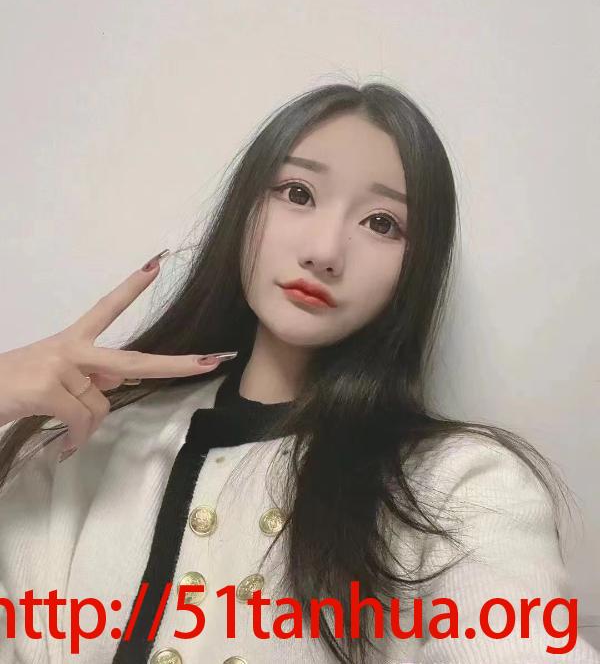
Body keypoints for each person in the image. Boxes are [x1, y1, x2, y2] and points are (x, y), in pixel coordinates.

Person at [0, 82, 598, 664]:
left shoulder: (458, 485)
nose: (325, 251)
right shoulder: (83, 441)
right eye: (298, 193)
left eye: (382, 223)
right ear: (244, 209)